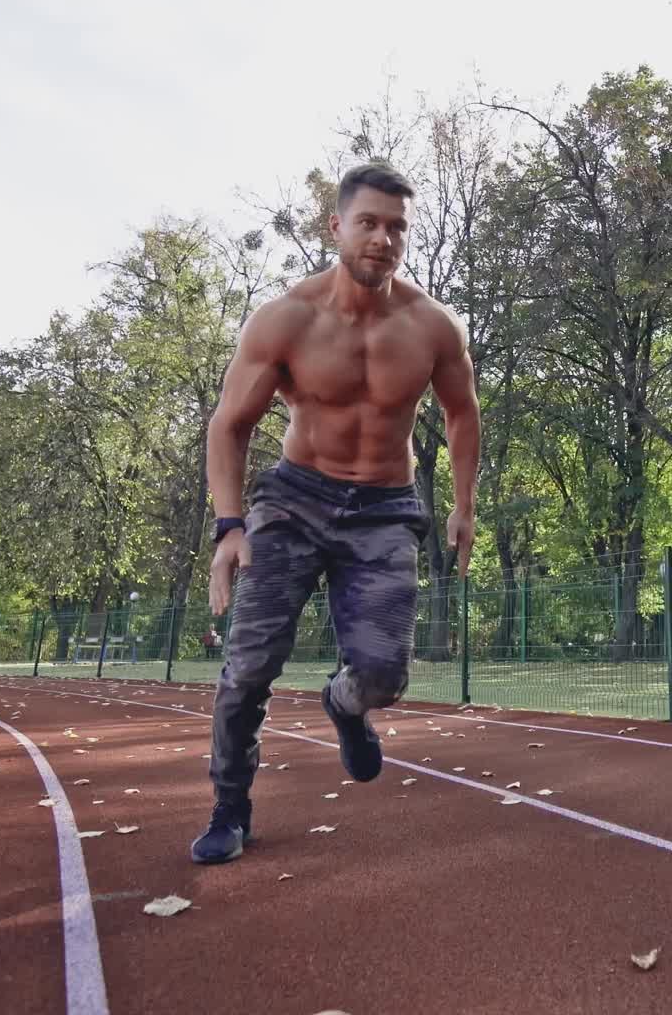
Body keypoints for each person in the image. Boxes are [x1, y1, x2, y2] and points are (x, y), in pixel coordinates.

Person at [189, 163, 480, 865]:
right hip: (294, 500)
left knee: (385, 675)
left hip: (384, 508)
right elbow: (229, 424)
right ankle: (230, 806)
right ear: (337, 227)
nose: (383, 239)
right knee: (248, 667)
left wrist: (464, 507)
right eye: (369, 223)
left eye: (397, 227)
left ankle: (345, 704)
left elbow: (463, 414)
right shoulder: (286, 319)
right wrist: (230, 526)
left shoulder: (433, 326)